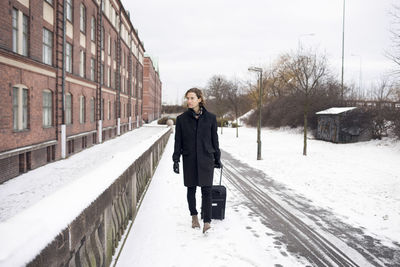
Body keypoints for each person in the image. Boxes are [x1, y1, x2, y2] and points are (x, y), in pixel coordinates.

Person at [172, 88, 222, 234]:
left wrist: (217, 158)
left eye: (192, 98)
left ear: (200, 99)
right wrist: (176, 160)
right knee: (191, 189)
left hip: (206, 158)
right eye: (187, 98)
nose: (189, 101)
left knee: (207, 190)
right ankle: (194, 217)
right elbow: (178, 141)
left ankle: (207, 220)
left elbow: (215, 141)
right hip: (189, 159)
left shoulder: (211, 118)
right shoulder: (181, 119)